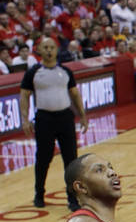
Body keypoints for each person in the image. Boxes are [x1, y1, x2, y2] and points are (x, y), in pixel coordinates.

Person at [19, 37, 90, 210]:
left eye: (52, 47)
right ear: (40, 51)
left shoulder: (65, 71)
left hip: (65, 118)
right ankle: (39, 194)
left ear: (57, 50)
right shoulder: (33, 72)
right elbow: (24, 96)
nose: (49, 50)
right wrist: (25, 119)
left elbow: (75, 94)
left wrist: (82, 115)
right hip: (44, 119)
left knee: (71, 160)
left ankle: (72, 199)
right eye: (46, 47)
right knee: (43, 158)